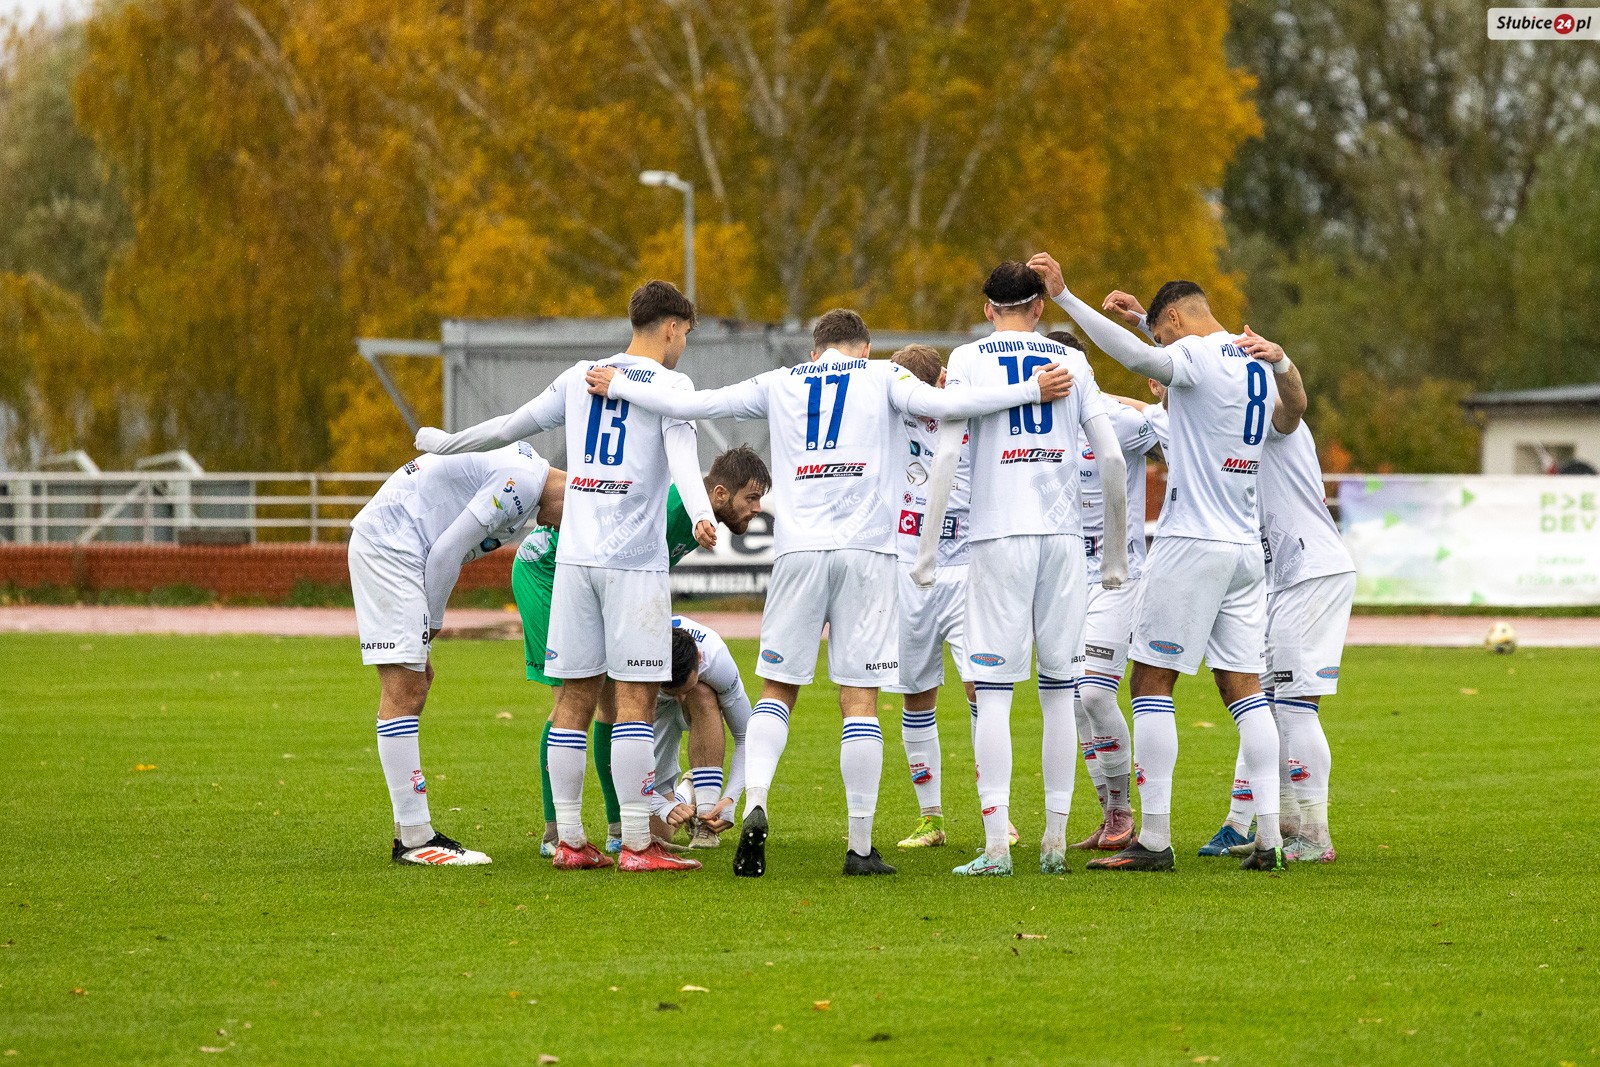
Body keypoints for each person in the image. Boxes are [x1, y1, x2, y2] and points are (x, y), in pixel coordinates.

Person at [586, 308, 1072, 878]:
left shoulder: (784, 380)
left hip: (799, 551)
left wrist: (620, 385)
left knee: (777, 690)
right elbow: (948, 406)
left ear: (817, 350)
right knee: (859, 698)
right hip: (867, 553)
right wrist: (1029, 388)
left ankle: (756, 802)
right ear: (862, 349)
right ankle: (861, 846)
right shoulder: (883, 375)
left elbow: (700, 404)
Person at [414, 280, 717, 873]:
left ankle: (572, 842)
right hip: (632, 565)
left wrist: (444, 443)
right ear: (672, 327)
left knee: (574, 700)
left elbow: (508, 426)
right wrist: (702, 515)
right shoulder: (672, 386)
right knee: (633, 701)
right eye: (686, 334)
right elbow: (682, 459)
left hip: (573, 560)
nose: (683, 345)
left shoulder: (581, 374)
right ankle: (636, 843)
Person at [1030, 251, 1307, 872]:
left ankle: (1152, 840)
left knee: (1151, 684)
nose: (1160, 346)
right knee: (1245, 693)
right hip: (1243, 549)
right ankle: (1269, 840)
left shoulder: (1193, 354)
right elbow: (1294, 415)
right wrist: (1285, 359)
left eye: (1160, 331)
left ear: (1176, 319)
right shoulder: (1259, 363)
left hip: (1191, 543)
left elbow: (1144, 360)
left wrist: (1068, 296)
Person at [928, 264, 1129, 878]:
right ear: (1041, 307)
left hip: (997, 537)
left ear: (988, 308)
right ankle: (1053, 844)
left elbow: (946, 451)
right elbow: (1115, 459)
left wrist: (925, 552)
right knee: (1059, 693)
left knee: (991, 694)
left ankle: (994, 847)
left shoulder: (967, 358)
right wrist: (1115, 554)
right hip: (1066, 542)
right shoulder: (1075, 364)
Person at [517, 447, 769, 857]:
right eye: (751, 498)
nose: (758, 508)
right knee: (573, 697)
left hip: (588, 570)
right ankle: (555, 832)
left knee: (610, 705)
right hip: (549, 567)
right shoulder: (677, 511)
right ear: (721, 494)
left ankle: (620, 827)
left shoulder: (692, 515)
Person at [349, 441, 562, 865]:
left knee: (415, 684)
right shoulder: (520, 484)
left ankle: (413, 831)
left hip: (397, 544)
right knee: (405, 689)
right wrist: (432, 624)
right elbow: (445, 553)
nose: (556, 531)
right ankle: (413, 839)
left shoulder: (527, 479)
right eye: (568, 525)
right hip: (393, 546)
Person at [1208, 417, 1354, 863]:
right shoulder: (1236, 424)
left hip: (1312, 572)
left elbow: (1295, 400)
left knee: (1295, 709)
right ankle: (1288, 827)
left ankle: (1315, 836)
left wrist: (1282, 361)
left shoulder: (1273, 416)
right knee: (1270, 707)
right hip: (1282, 580)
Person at [1040, 331, 1159, 854]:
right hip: (1063, 577)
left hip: (1117, 577)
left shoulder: (1119, 419)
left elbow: (1181, 431)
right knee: (1072, 702)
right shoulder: (1035, 421)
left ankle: (1125, 813)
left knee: (1093, 692)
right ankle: (1110, 814)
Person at [880, 343, 979, 851]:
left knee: (975, 688)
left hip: (959, 567)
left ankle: (986, 814)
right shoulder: (889, 420)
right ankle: (934, 820)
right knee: (922, 693)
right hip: (914, 567)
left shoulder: (969, 417)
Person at [647, 615, 753, 849]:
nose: (680, 700)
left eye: (684, 689)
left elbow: (747, 736)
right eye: (673, 692)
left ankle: (706, 815)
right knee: (660, 836)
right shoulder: (639, 664)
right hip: (655, 708)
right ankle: (688, 791)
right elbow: (620, 752)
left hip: (704, 707)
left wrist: (731, 799)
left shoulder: (716, 658)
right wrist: (661, 804)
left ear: (698, 657)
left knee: (702, 693)